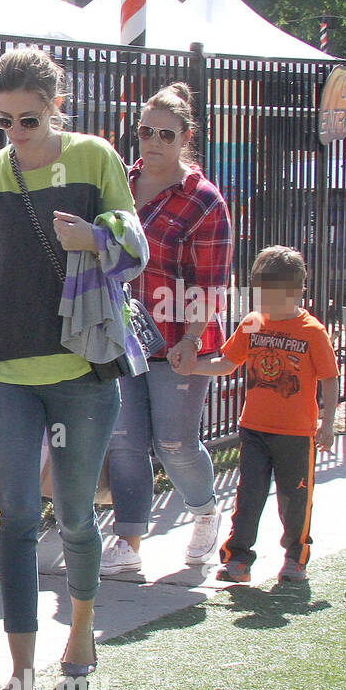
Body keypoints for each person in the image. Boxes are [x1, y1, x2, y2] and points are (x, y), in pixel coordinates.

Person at [0, 47, 145, 690]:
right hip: (4, 368)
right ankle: (19, 668)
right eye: (4, 119)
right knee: (12, 522)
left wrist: (93, 238)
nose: (15, 132)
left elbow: (134, 247)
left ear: (54, 106)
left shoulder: (94, 157)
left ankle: (83, 633)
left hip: (80, 366)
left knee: (73, 517)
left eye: (28, 119)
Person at [101, 83, 233, 577]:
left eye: (165, 134)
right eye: (145, 132)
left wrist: (192, 339)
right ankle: (129, 541)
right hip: (122, 334)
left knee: (174, 443)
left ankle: (204, 510)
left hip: (180, 336)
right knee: (125, 440)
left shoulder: (203, 199)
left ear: (185, 137)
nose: (153, 142)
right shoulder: (120, 182)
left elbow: (212, 280)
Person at [182, 246, 338, 583]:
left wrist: (327, 423)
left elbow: (329, 377)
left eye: (274, 296)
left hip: (296, 435)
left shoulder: (312, 331)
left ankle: (296, 557)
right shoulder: (252, 323)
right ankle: (238, 558)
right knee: (248, 495)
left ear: (296, 292)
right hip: (253, 430)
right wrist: (192, 366)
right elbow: (227, 363)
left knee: (294, 499)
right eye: (261, 294)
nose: (265, 303)